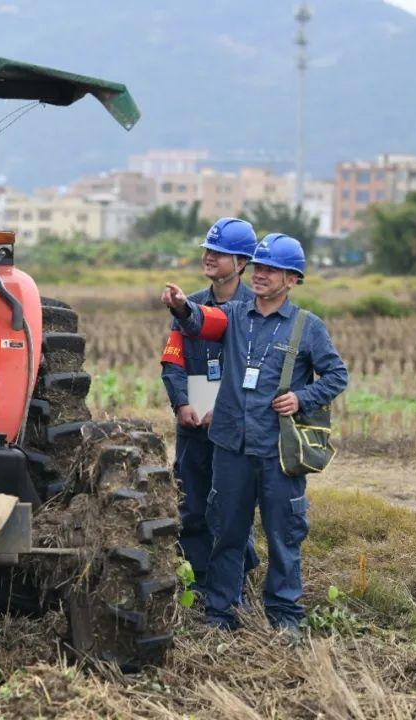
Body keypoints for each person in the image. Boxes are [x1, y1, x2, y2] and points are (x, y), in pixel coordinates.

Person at [161, 233, 348, 635]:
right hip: (231, 448)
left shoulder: (306, 327)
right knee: (226, 532)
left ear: (292, 279)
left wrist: (301, 397)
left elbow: (337, 375)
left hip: (278, 451)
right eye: (259, 267)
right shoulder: (234, 317)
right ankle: (220, 615)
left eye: (272, 270)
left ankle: (284, 616)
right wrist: (180, 306)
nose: (261, 275)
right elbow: (197, 320)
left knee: (284, 536)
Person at [160, 218, 259, 599]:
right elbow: (173, 358)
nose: (209, 257)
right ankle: (197, 582)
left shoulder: (255, 309)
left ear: (241, 262)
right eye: (207, 250)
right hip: (193, 423)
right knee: (192, 501)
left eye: (219, 253)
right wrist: (181, 403)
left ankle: (235, 583)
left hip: (233, 424)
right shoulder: (189, 306)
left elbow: (254, 370)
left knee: (232, 504)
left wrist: (227, 409)